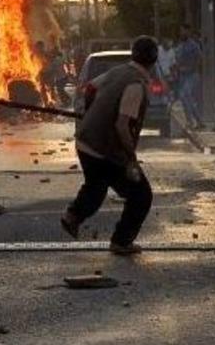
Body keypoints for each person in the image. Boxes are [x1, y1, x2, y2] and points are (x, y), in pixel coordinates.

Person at [61, 36, 158, 255]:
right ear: (154, 60)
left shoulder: (117, 72)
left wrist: (90, 110)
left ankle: (72, 216)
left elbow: (90, 87)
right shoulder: (136, 85)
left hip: (85, 140)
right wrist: (130, 156)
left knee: (96, 186)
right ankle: (121, 241)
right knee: (141, 195)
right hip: (105, 148)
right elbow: (122, 125)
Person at [174, 26, 203, 129]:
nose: (181, 33)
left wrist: (192, 68)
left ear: (188, 31)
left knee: (184, 95)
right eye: (180, 31)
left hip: (192, 75)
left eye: (183, 31)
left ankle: (191, 121)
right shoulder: (180, 45)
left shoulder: (193, 45)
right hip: (182, 76)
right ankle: (198, 121)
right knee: (187, 99)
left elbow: (199, 58)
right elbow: (177, 59)